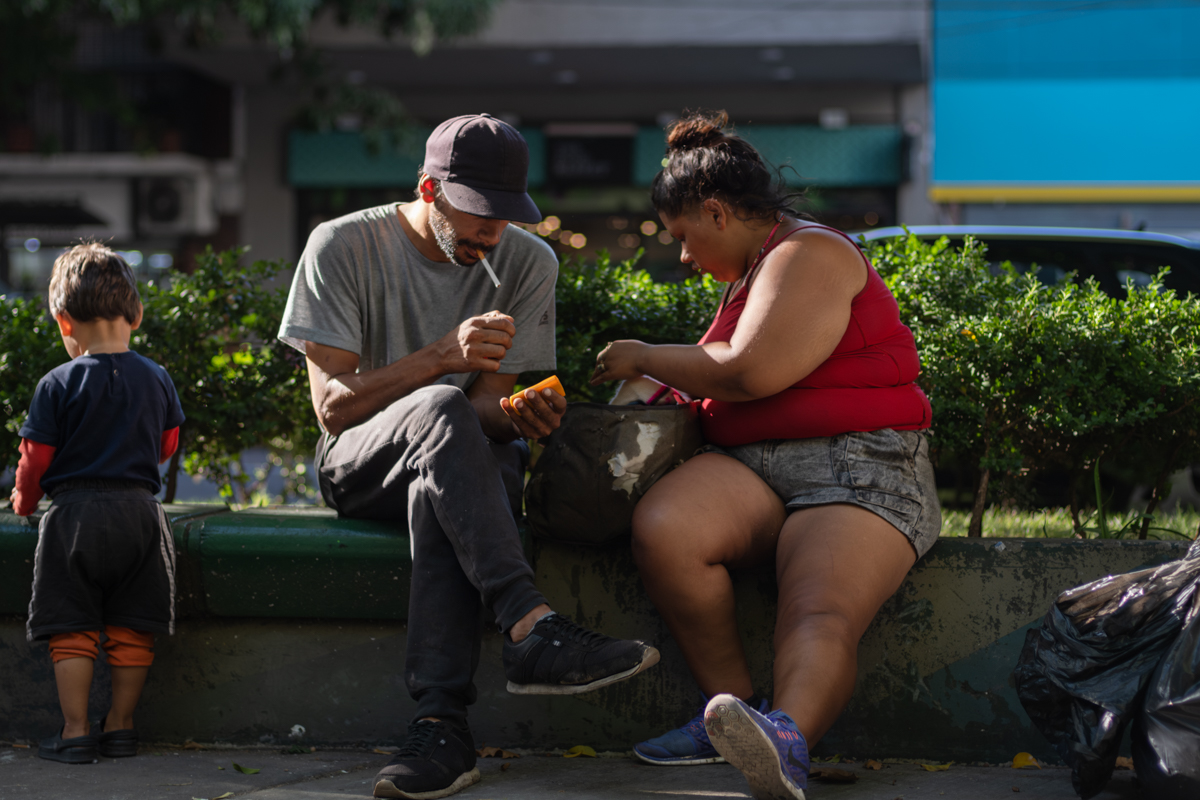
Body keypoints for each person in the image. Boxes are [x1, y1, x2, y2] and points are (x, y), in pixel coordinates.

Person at [278, 113, 659, 800]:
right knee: (442, 409)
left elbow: (487, 405)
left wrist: (518, 416)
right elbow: (332, 409)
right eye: (477, 214)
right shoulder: (341, 245)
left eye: (506, 216)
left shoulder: (525, 261)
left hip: (456, 465)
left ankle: (441, 729)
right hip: (361, 462)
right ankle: (530, 625)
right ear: (428, 189)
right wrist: (438, 360)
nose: (492, 233)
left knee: (456, 457)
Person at [591, 111, 940, 800]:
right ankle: (732, 717)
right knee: (667, 529)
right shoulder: (747, 274)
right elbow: (722, 378)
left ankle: (786, 736)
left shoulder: (810, 253)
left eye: (684, 238)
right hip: (756, 465)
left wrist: (643, 354)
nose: (684, 258)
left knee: (818, 611)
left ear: (716, 212)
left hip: (857, 467)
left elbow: (750, 373)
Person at [10, 243, 185, 765]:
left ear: (64, 322)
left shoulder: (56, 382)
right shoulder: (156, 376)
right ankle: (122, 726)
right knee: (133, 627)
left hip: (74, 518)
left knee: (72, 630)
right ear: (136, 314)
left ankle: (76, 730)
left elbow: (34, 459)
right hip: (139, 516)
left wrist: (23, 502)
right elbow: (167, 445)